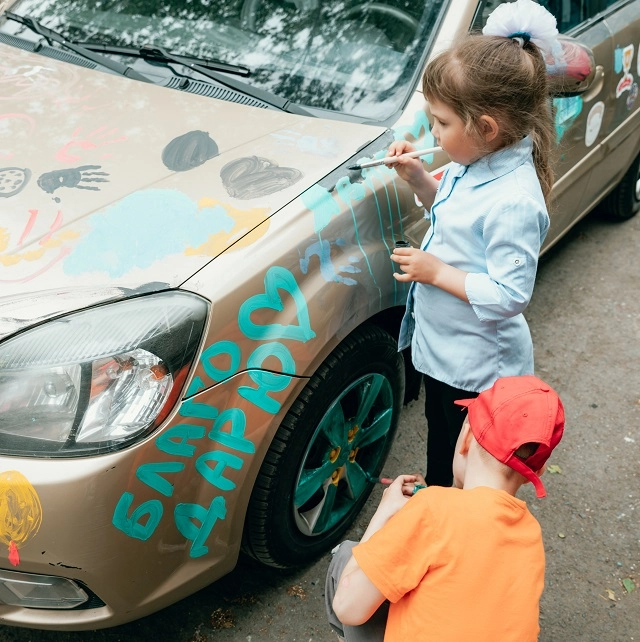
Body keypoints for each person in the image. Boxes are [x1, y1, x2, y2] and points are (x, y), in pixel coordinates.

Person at [388, 0, 560, 487]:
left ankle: (449, 527)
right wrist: (420, 177)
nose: (433, 133)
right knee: (440, 438)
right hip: (446, 348)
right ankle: (438, 499)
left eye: (441, 123)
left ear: (486, 128)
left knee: (465, 460)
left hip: (476, 368)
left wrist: (436, 272)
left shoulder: (515, 200)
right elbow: (456, 215)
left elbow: (510, 294)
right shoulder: (475, 161)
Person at [324, 374, 565, 642]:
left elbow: (347, 607)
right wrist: (438, 501)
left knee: (348, 555)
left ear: (466, 437)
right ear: (538, 469)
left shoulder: (434, 510)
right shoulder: (530, 535)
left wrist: (385, 511)